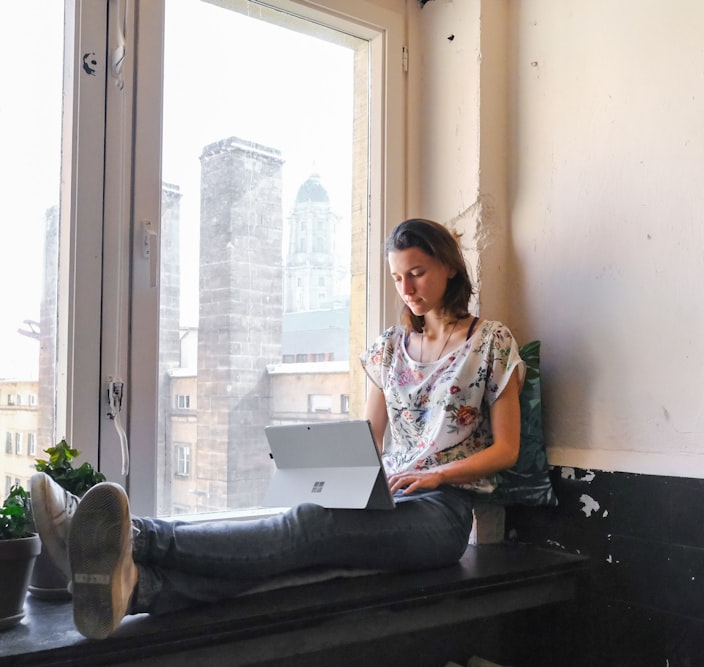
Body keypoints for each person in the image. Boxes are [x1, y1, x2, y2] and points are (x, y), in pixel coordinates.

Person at [31, 217, 525, 640]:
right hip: (393, 496)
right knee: (304, 539)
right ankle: (138, 588)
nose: (407, 289)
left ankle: (125, 536)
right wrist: (322, 464)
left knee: (311, 527)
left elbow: (506, 450)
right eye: (398, 278)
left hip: (445, 513)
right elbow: (372, 438)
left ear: (450, 266)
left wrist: (438, 476)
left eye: (416, 273)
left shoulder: (492, 342)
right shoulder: (389, 348)